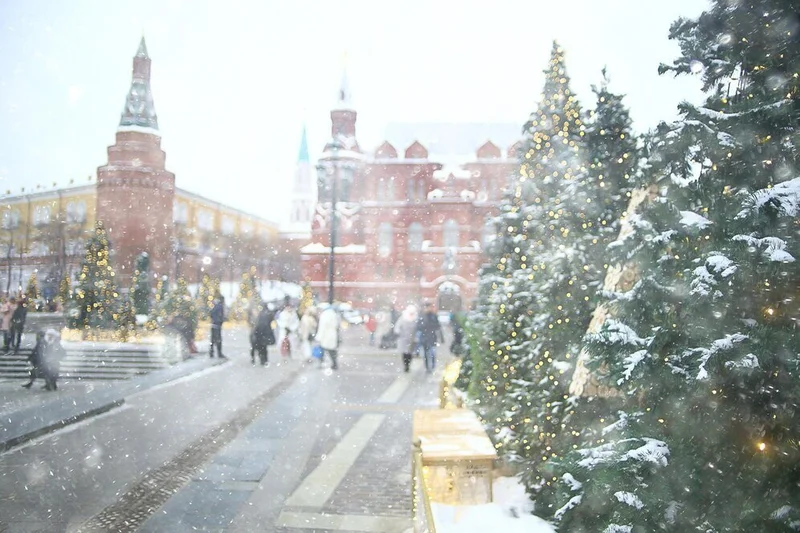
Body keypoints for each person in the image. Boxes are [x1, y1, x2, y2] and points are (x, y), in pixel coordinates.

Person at [417, 302, 444, 373]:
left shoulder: (433, 316)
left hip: (432, 337)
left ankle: (432, 366)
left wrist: (441, 338)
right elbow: (418, 327)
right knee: (426, 354)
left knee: (432, 353)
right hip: (424, 338)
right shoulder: (422, 316)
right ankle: (427, 367)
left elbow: (438, 326)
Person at [394, 305, 419, 373]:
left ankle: (408, 365)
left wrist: (416, 337)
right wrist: (398, 332)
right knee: (404, 353)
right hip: (403, 338)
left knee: (410, 353)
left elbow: (418, 328)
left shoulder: (416, 319)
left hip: (412, 339)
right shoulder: (402, 318)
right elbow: (397, 326)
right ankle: (406, 365)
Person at [315, 306, 340, 370]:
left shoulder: (324, 315)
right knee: (332, 351)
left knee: (321, 351)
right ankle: (334, 364)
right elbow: (337, 325)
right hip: (333, 335)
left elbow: (322, 327)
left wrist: (318, 337)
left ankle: (321, 363)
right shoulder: (334, 314)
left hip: (325, 336)